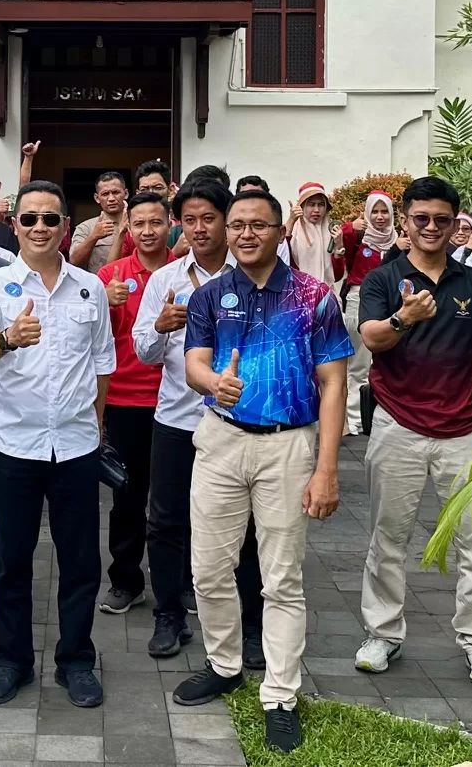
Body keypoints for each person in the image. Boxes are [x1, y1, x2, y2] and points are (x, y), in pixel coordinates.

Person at [173, 189, 350, 753]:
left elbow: (334, 384)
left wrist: (327, 469)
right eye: (238, 225)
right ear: (227, 231)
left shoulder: (315, 298)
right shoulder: (209, 296)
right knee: (208, 570)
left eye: (259, 225)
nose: (246, 234)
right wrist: (211, 384)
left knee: (281, 580)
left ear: (281, 231)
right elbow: (194, 362)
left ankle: (280, 694)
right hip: (221, 442)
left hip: (288, 446)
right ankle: (224, 665)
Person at [0, 181, 114, 708]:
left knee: (80, 563)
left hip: (75, 447)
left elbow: (102, 366)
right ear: (14, 224)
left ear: (65, 227)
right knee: (12, 561)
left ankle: (76, 660)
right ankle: (13, 661)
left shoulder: (89, 288)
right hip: (13, 446)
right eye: (30, 219)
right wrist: (8, 339)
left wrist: (95, 427)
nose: (41, 228)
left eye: (51, 219)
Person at [354, 176, 472, 686]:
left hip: (463, 427)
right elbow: (372, 338)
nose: (431, 228)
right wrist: (406, 317)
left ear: (453, 224)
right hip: (397, 421)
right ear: (406, 220)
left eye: (442, 220)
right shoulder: (384, 278)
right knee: (388, 535)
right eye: (421, 218)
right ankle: (382, 633)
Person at [132, 178, 267, 664]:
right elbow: (144, 353)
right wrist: (159, 326)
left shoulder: (256, 277)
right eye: (189, 220)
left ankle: (251, 624)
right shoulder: (164, 279)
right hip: (175, 418)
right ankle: (169, 614)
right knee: (165, 521)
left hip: (238, 420)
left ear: (226, 220)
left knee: (246, 525)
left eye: (208, 218)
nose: (199, 229)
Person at [93, 191, 174, 615]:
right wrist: (104, 305)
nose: (147, 231)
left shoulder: (186, 273)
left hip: (177, 402)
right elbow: (91, 344)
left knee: (176, 497)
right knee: (127, 498)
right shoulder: (110, 276)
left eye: (155, 222)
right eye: (138, 223)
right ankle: (126, 580)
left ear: (169, 224)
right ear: (129, 228)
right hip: (125, 401)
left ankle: (180, 583)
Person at [337, 192, 396, 437]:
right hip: (358, 298)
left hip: (390, 300)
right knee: (358, 362)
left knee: (386, 362)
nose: (380, 217)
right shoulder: (359, 238)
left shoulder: (398, 240)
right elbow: (340, 237)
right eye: (375, 211)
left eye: (385, 212)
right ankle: (356, 418)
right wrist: (352, 225)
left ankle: (383, 414)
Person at [69, 171, 129, 270]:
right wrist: (93, 236)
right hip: (100, 283)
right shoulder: (86, 227)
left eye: (116, 192)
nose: (111, 199)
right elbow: (74, 262)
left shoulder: (139, 223)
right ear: (97, 198)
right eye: (105, 194)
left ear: (125, 193)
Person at [285, 182, 339, 287]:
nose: (316, 210)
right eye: (311, 204)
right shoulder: (293, 232)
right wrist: (290, 223)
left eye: (321, 205)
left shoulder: (331, 231)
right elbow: (283, 259)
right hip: (299, 293)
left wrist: (339, 246)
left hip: (327, 294)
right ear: (302, 206)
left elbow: (337, 275)